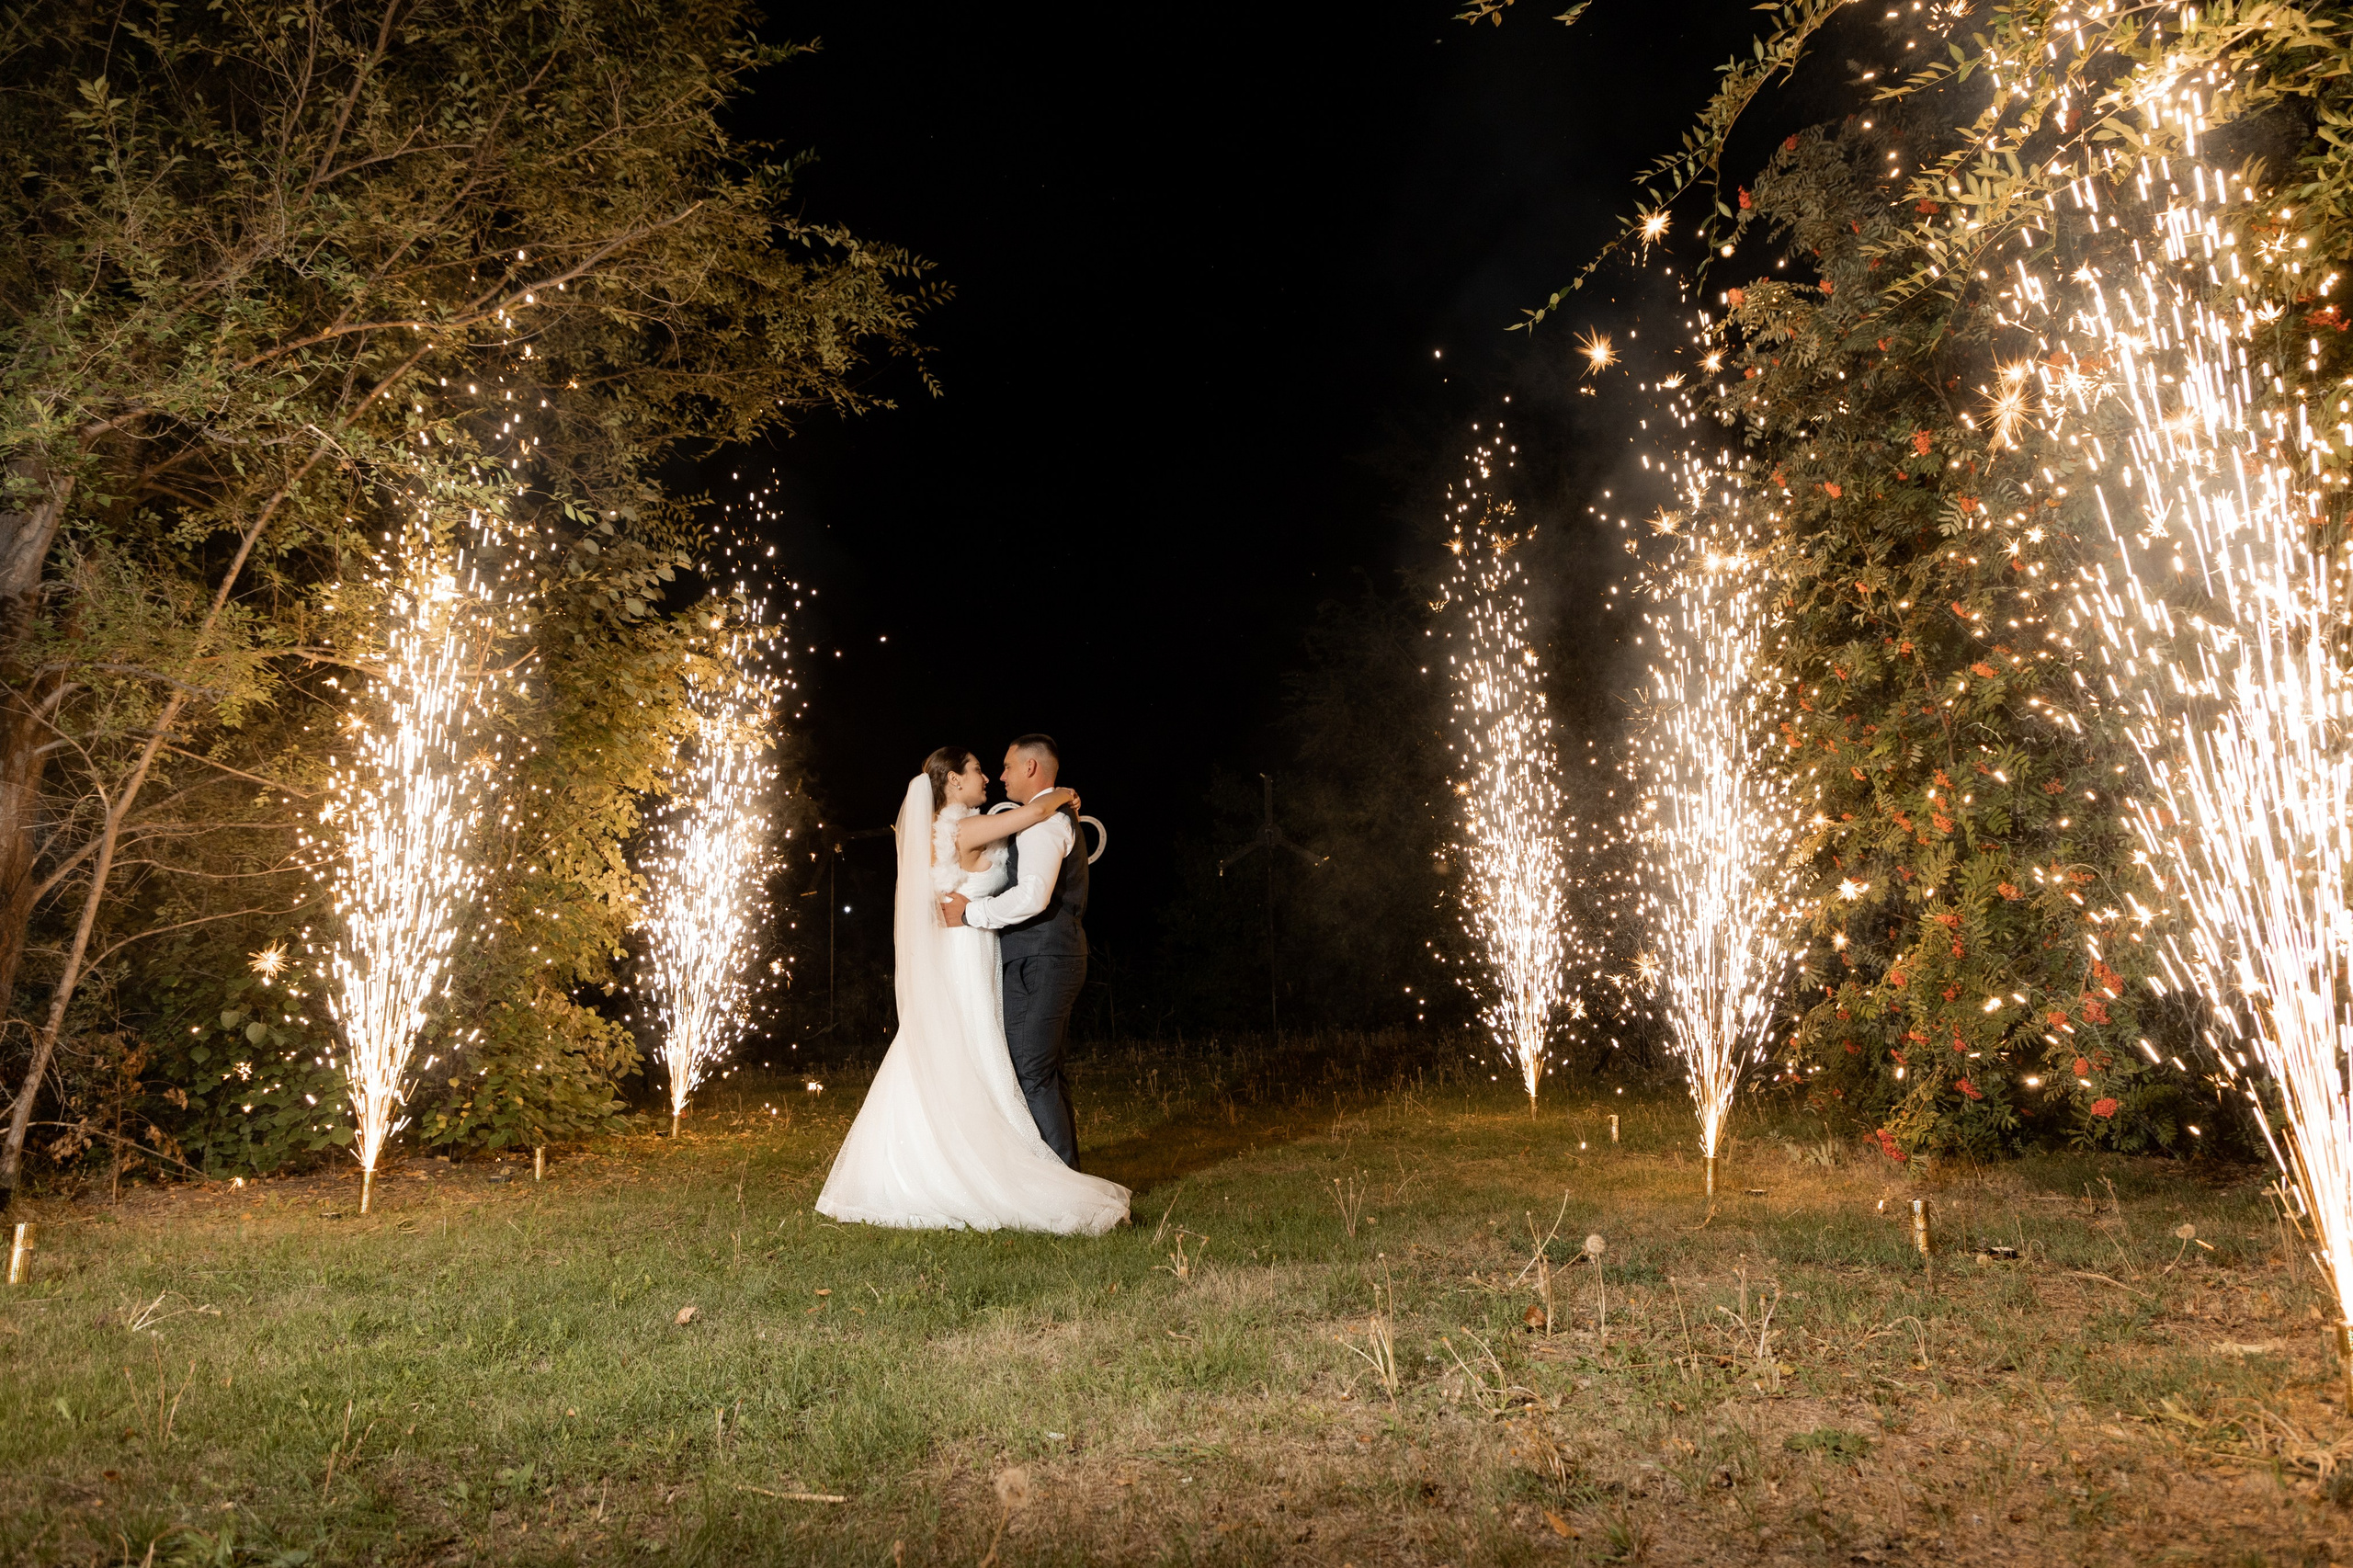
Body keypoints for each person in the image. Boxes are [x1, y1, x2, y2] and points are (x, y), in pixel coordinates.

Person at [813, 745, 1129, 1233]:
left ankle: (956, 1150)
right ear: (955, 782)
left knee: (967, 1054)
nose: (989, 777)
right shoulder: (962, 829)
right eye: (980, 770)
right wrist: (1063, 792)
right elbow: (1036, 810)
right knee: (974, 1051)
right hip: (967, 950)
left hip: (972, 948)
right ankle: (989, 1163)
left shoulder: (955, 827)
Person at [940, 734, 1091, 1167]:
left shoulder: (1045, 822)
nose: (998, 774)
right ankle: (1066, 1172)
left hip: (1041, 959)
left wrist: (972, 914)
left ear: (1030, 768)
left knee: (1031, 1073)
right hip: (1049, 955)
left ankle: (1061, 1181)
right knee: (1045, 1072)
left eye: (1006, 766)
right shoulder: (1041, 816)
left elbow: (1032, 898)